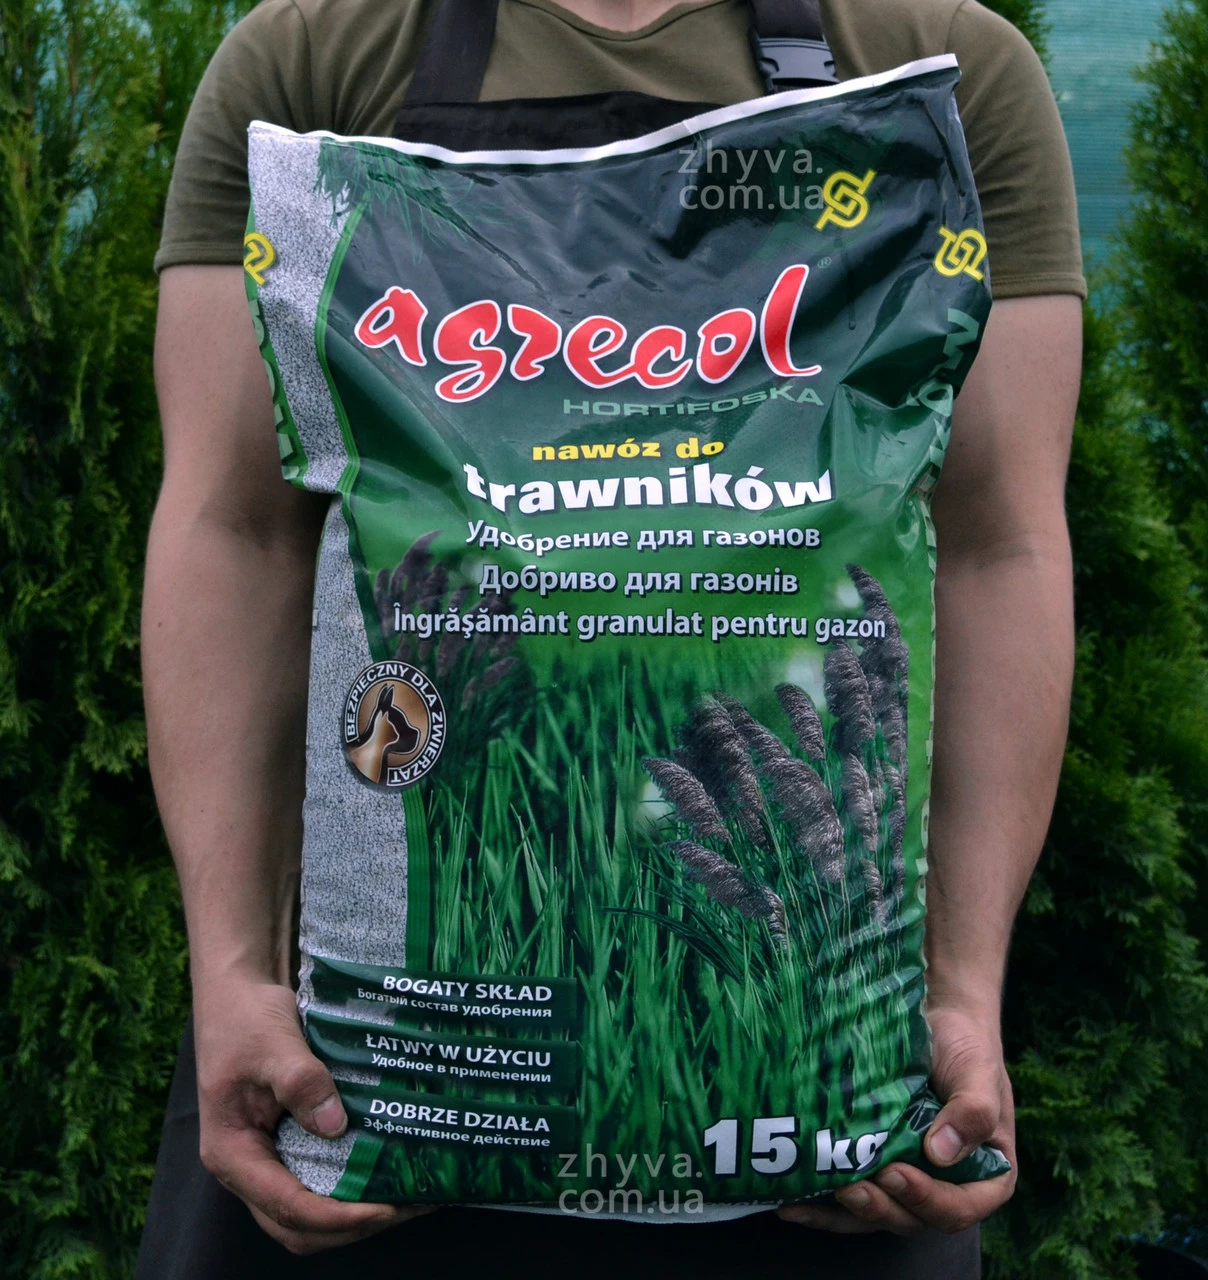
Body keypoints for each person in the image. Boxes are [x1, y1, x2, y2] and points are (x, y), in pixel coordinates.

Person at [135, 0, 1084, 1275]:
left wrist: (962, 985)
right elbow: (233, 527)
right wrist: (231, 971)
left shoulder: (944, 73)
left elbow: (995, 545)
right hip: (361, 1089)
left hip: (832, 1118)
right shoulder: (312, 59)